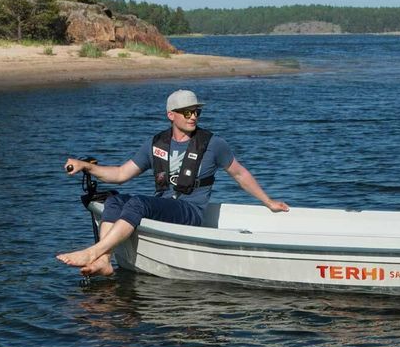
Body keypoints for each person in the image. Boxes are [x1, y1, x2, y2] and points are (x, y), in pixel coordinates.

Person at [57, 89, 290, 276]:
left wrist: (268, 202)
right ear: (171, 115)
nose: (193, 117)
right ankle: (105, 261)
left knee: (138, 203)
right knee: (115, 199)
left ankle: (94, 252)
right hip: (165, 206)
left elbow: (240, 174)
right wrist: (86, 166)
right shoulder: (156, 143)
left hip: (189, 211)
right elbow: (120, 174)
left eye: (196, 111)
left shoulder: (213, 143)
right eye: (187, 112)